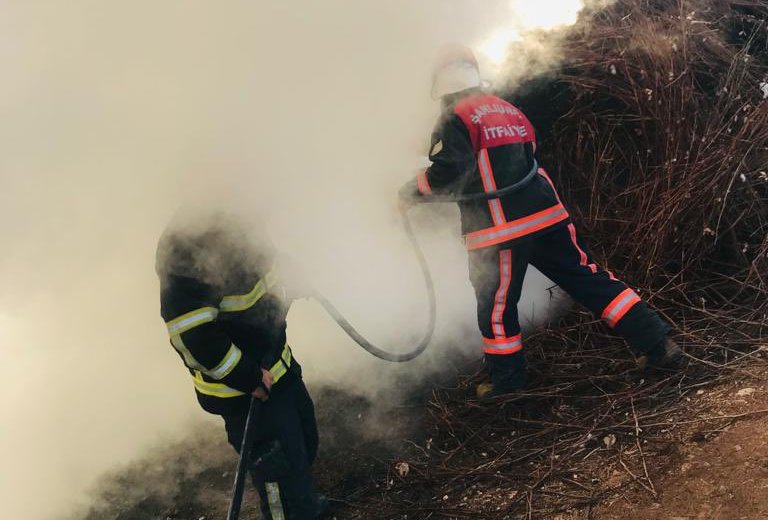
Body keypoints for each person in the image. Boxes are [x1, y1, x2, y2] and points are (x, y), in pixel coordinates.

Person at [399, 45, 683, 398]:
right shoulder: (506, 108)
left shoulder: (455, 117)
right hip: (549, 216)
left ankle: (507, 384)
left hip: (500, 231)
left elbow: (448, 172)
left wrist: (409, 193)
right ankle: (658, 345)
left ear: (439, 82)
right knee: (588, 278)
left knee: (498, 306)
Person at [156, 212, 329, 519]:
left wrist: (291, 274)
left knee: (303, 440)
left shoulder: (240, 213)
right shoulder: (184, 248)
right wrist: (247, 377)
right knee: (277, 468)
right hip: (245, 394)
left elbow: (265, 265)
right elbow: (191, 335)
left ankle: (304, 504)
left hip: (279, 369)